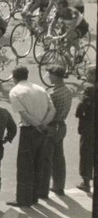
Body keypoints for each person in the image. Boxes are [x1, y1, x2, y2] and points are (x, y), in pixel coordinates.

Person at [7, 65, 56, 207]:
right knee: (38, 163)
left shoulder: (15, 91)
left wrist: (38, 125)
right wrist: (43, 125)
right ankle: (34, 196)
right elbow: (52, 109)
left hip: (28, 130)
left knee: (25, 165)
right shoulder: (41, 89)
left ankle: (23, 198)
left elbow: (24, 114)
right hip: (42, 131)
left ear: (14, 77)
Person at [39, 65, 73, 197]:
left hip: (52, 127)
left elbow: (45, 110)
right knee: (59, 158)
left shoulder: (53, 94)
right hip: (61, 126)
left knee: (46, 159)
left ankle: (43, 190)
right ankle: (59, 187)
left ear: (56, 76)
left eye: (50, 74)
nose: (48, 77)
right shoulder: (67, 91)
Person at [76, 65, 96, 193]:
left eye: (88, 74)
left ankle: (86, 182)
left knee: (86, 152)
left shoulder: (90, 89)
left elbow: (81, 108)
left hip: (89, 126)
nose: (86, 76)